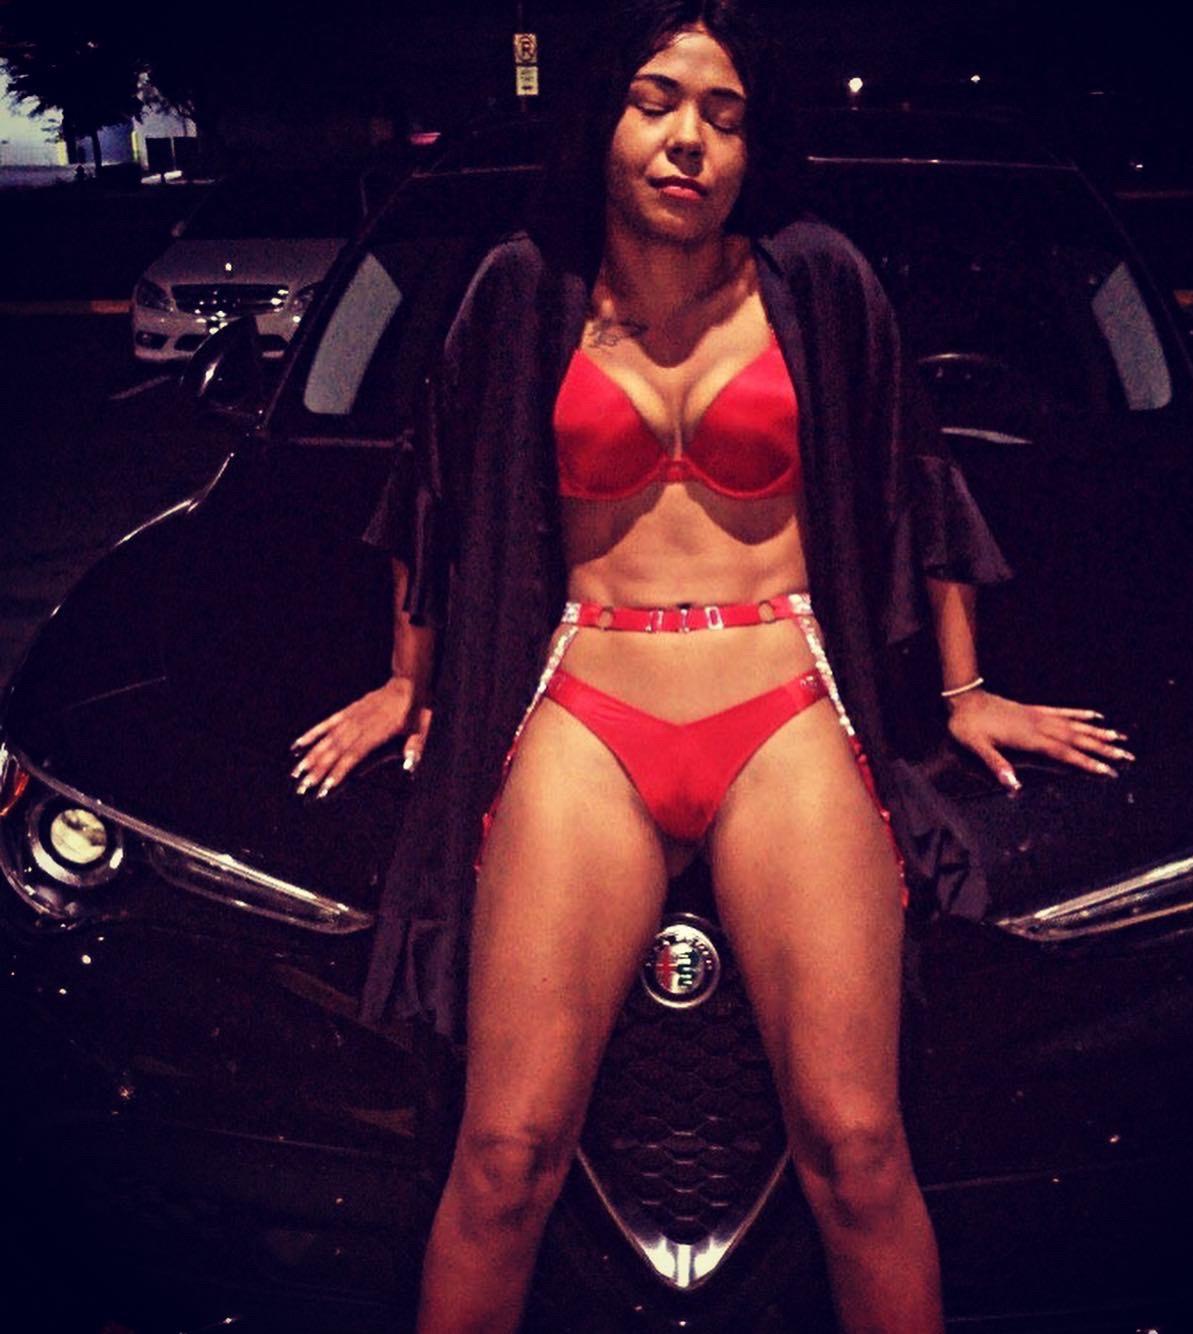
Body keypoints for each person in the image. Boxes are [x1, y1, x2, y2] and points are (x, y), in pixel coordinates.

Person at [290, 4, 1134, 1329]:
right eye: (657, 101)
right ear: (604, 120)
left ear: (751, 147)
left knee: (858, 1149)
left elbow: (911, 473)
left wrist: (966, 693)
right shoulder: (523, 286)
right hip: (593, 696)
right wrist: (411, 679)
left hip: (778, 696)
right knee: (504, 1156)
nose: (689, 139)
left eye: (724, 116)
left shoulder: (816, 281)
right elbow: (443, 490)